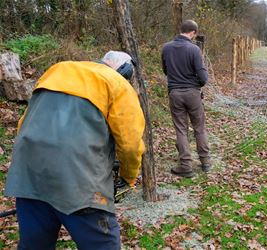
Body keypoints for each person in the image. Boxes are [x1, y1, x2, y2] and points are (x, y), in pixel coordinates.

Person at [4, 51, 145, 249]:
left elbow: (25, 122)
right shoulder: (117, 84)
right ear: (127, 71)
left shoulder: (57, 71)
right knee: (103, 244)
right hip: (80, 181)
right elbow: (130, 144)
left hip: (28, 173)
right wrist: (127, 177)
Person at [161, 20, 210, 178]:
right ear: (193, 33)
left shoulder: (166, 48)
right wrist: (196, 83)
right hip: (193, 93)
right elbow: (203, 78)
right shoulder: (194, 49)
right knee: (199, 128)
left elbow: (165, 70)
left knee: (181, 129)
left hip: (175, 93)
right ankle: (205, 161)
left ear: (181, 30)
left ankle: (185, 165)